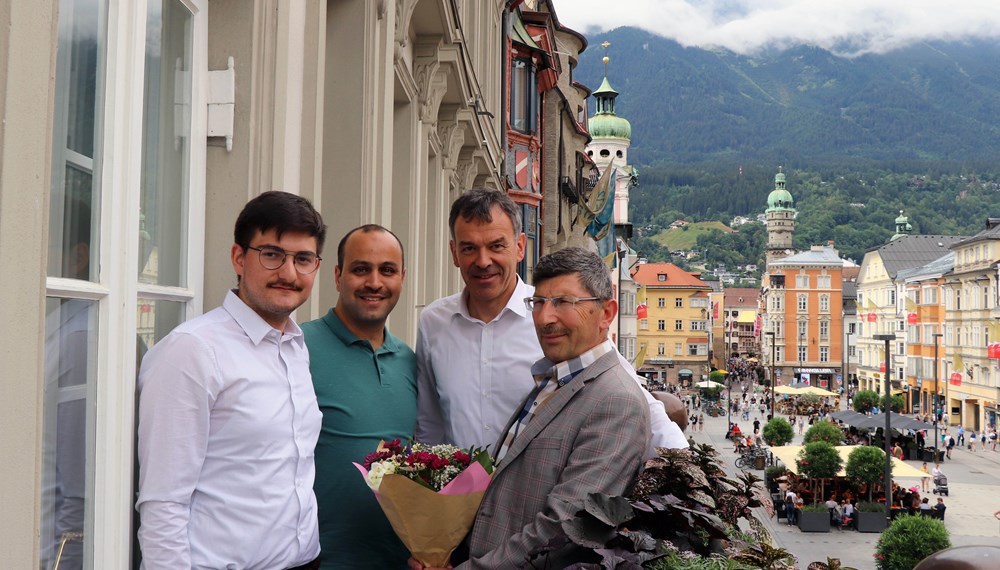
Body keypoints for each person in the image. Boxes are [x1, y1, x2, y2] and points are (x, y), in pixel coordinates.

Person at [412, 247, 651, 569]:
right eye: (538, 302)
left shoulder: (615, 400)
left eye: (564, 302)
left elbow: (564, 529)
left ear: (606, 313)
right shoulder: (554, 377)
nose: (544, 318)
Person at [415, 188, 686, 455]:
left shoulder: (556, 319)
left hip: (536, 495)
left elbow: (631, 394)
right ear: (454, 253)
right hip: (456, 497)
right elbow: (430, 426)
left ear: (520, 247)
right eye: (469, 248)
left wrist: (688, 468)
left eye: (496, 246)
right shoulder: (433, 323)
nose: (483, 261)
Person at [136, 191, 326, 569]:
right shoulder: (193, 351)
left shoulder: (294, 346)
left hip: (305, 562)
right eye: (272, 255)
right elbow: (163, 500)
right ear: (239, 258)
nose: (289, 273)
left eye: (303, 259)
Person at [302, 225, 414, 569]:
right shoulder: (296, 349)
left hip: (399, 561)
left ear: (402, 278)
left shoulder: (411, 361)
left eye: (387, 270)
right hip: (319, 561)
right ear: (338, 276)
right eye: (361, 269)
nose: (375, 282)